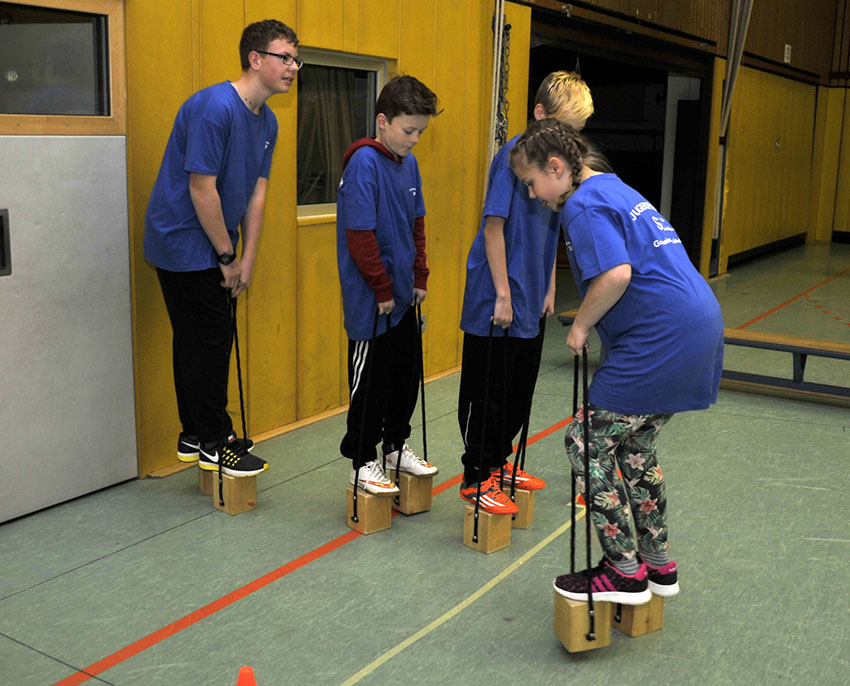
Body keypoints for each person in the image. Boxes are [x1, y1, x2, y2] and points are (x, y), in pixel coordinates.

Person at [510, 118, 724, 604]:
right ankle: (658, 565)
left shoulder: (582, 205)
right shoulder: (614, 187)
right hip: (698, 324)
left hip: (663, 337)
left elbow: (615, 275)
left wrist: (581, 326)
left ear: (557, 167)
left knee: (584, 441)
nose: (532, 195)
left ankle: (623, 571)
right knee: (635, 447)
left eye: (531, 183)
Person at [144, 20, 301, 477]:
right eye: (284, 57)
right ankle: (215, 440)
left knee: (201, 339)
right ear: (256, 59)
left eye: (296, 59)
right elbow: (201, 189)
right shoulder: (215, 107)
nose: (293, 67)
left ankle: (196, 432)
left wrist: (247, 257)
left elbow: (256, 192)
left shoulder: (268, 120)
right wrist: (227, 256)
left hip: (216, 243)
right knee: (209, 341)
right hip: (182, 239)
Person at [457, 72, 594, 514]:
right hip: (497, 296)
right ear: (539, 115)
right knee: (488, 390)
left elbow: (553, 226)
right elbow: (493, 226)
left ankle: (500, 461)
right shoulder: (513, 159)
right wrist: (501, 293)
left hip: (533, 295)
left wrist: (550, 284)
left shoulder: (558, 168)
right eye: (563, 127)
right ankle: (476, 473)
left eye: (575, 132)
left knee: (519, 388)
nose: (569, 139)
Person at [336, 75, 441, 494]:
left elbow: (417, 224)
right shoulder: (363, 162)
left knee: (404, 375)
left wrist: (419, 276)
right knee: (371, 384)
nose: (415, 139)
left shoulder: (408, 163)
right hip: (372, 301)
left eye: (421, 132)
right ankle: (362, 459)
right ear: (383, 121)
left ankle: (396, 446)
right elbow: (360, 236)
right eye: (408, 130)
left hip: (402, 298)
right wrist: (380, 288)